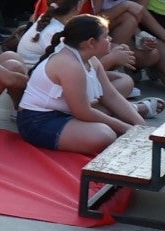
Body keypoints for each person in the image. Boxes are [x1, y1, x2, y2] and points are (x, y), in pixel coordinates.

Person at [16, 15, 144, 154]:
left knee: (115, 115)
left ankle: (137, 113)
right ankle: (136, 111)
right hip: (37, 121)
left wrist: (141, 127)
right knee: (104, 135)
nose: (110, 40)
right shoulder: (70, 65)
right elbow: (83, 112)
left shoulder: (92, 60)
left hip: (66, 113)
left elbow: (111, 96)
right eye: (106, 37)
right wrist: (128, 129)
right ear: (90, 42)